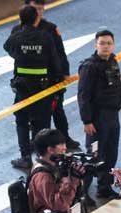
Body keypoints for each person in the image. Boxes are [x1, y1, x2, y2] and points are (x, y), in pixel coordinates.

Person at [3, 5, 62, 170]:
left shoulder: (16, 36)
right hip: (43, 87)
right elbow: (54, 60)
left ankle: (25, 157)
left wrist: (21, 55)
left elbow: (7, 47)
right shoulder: (45, 37)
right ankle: (42, 159)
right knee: (41, 123)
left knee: (22, 120)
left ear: (21, 19)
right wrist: (59, 82)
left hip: (22, 87)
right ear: (36, 18)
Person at [78, 29, 121, 199]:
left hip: (112, 117)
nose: (106, 46)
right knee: (93, 156)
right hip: (96, 118)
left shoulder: (113, 62)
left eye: (109, 43)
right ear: (96, 45)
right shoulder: (89, 67)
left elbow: (118, 87)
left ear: (113, 45)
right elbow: (83, 96)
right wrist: (87, 121)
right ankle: (82, 192)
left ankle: (104, 187)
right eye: (102, 43)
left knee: (110, 153)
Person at [23, 0, 80, 150]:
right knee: (35, 114)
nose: (38, 13)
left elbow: (60, 52)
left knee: (58, 109)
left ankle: (65, 138)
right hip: (31, 81)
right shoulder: (20, 30)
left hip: (52, 78)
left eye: (41, 9)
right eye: (35, 9)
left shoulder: (50, 28)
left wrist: (65, 73)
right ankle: (38, 143)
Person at [27, 128, 85, 213]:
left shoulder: (52, 167)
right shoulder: (42, 175)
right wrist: (72, 180)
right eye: (61, 144)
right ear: (50, 149)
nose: (65, 148)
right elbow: (59, 205)